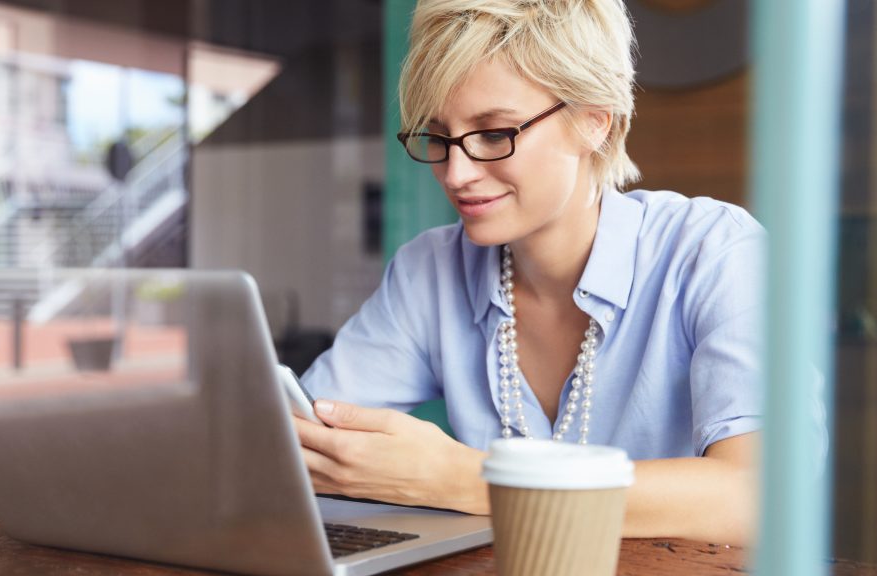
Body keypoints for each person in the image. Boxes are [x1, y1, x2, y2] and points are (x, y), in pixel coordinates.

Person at [297, 0, 766, 544]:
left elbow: (755, 497)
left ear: (594, 120)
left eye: (494, 134)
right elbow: (308, 441)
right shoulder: (430, 269)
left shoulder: (715, 252)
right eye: (438, 137)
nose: (456, 172)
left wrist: (466, 482)